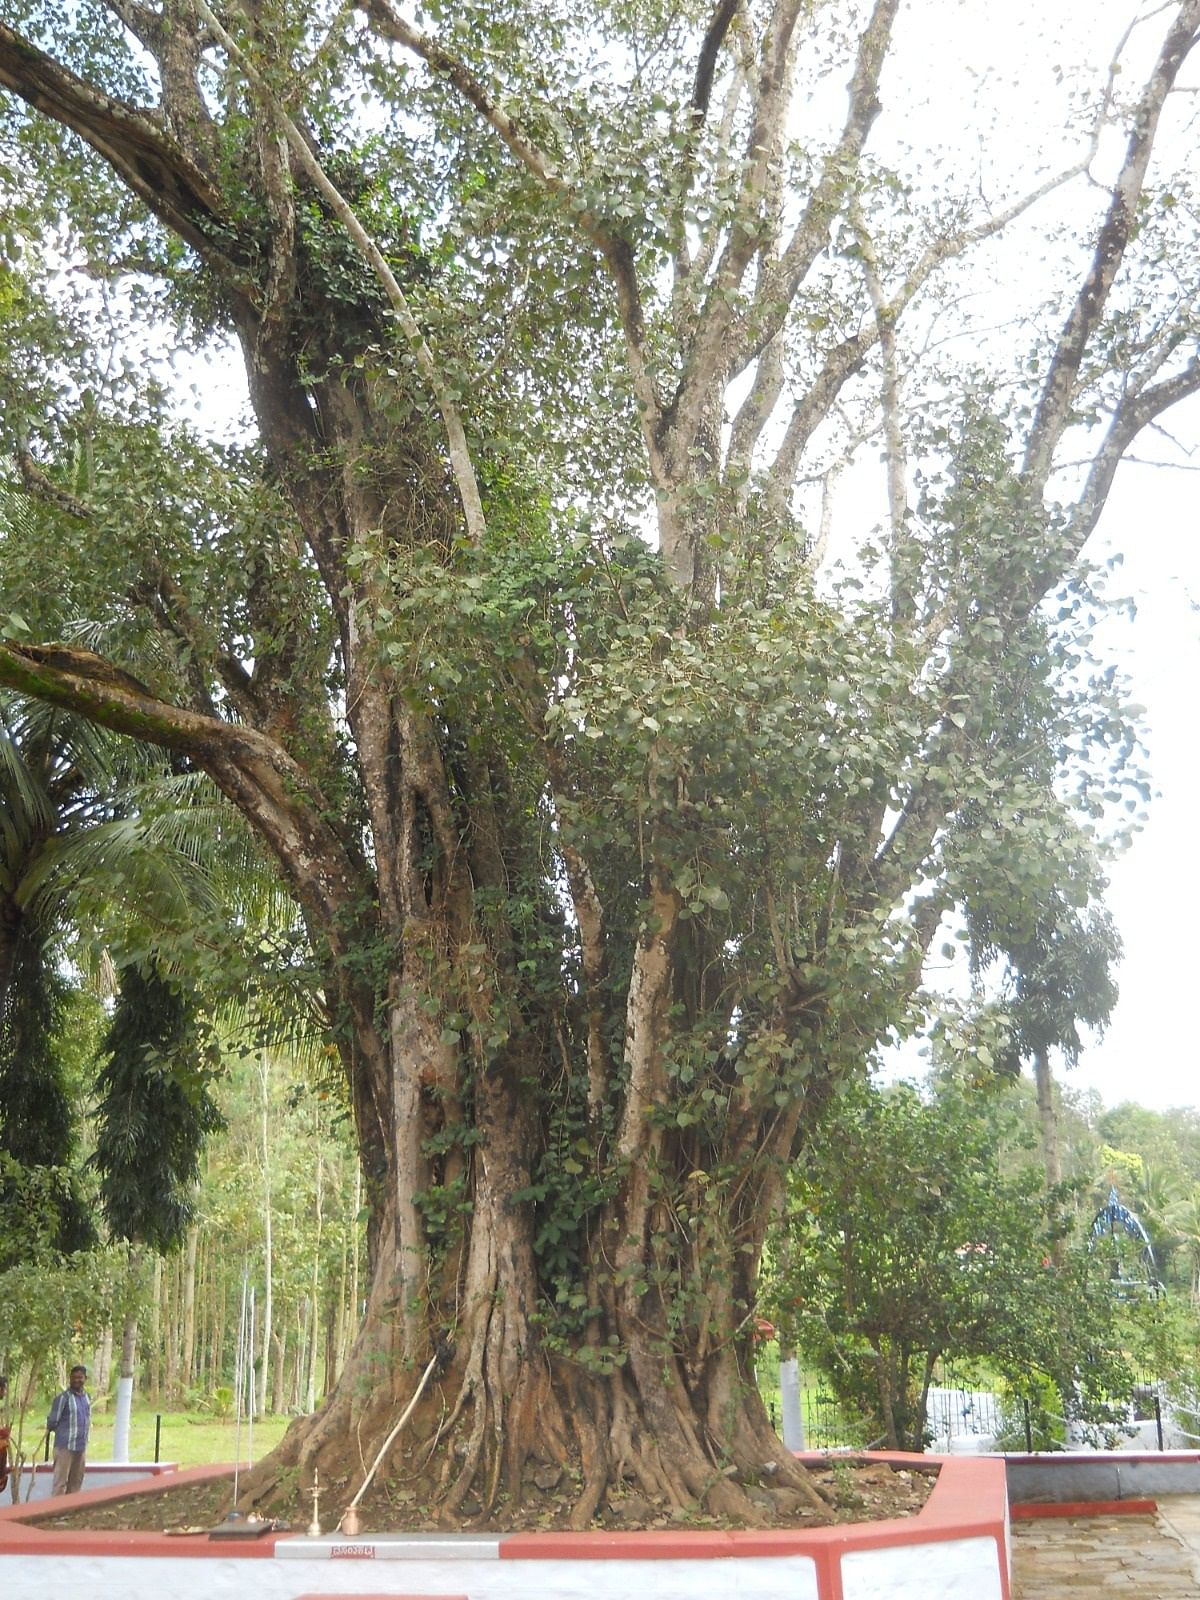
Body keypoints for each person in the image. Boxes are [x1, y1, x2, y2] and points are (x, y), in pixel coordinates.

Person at [46, 1365, 91, 1496]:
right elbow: (52, 1422)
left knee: (76, 1483)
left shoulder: (87, 1397)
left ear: (85, 1379)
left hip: (80, 1447)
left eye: (80, 1377)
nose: (77, 1380)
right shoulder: (63, 1398)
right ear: (70, 1379)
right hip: (65, 1448)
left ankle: (71, 1513)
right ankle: (56, 1513)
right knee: (60, 1483)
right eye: (74, 1377)